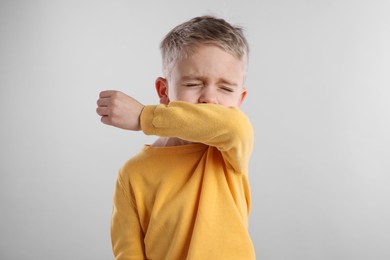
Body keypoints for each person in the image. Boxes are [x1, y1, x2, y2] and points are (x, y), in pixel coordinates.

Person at [96, 15, 256, 260]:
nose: (209, 99)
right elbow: (129, 253)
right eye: (193, 84)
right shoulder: (133, 173)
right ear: (163, 91)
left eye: (225, 88)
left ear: (240, 100)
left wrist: (143, 117)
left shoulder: (229, 150)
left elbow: (232, 124)